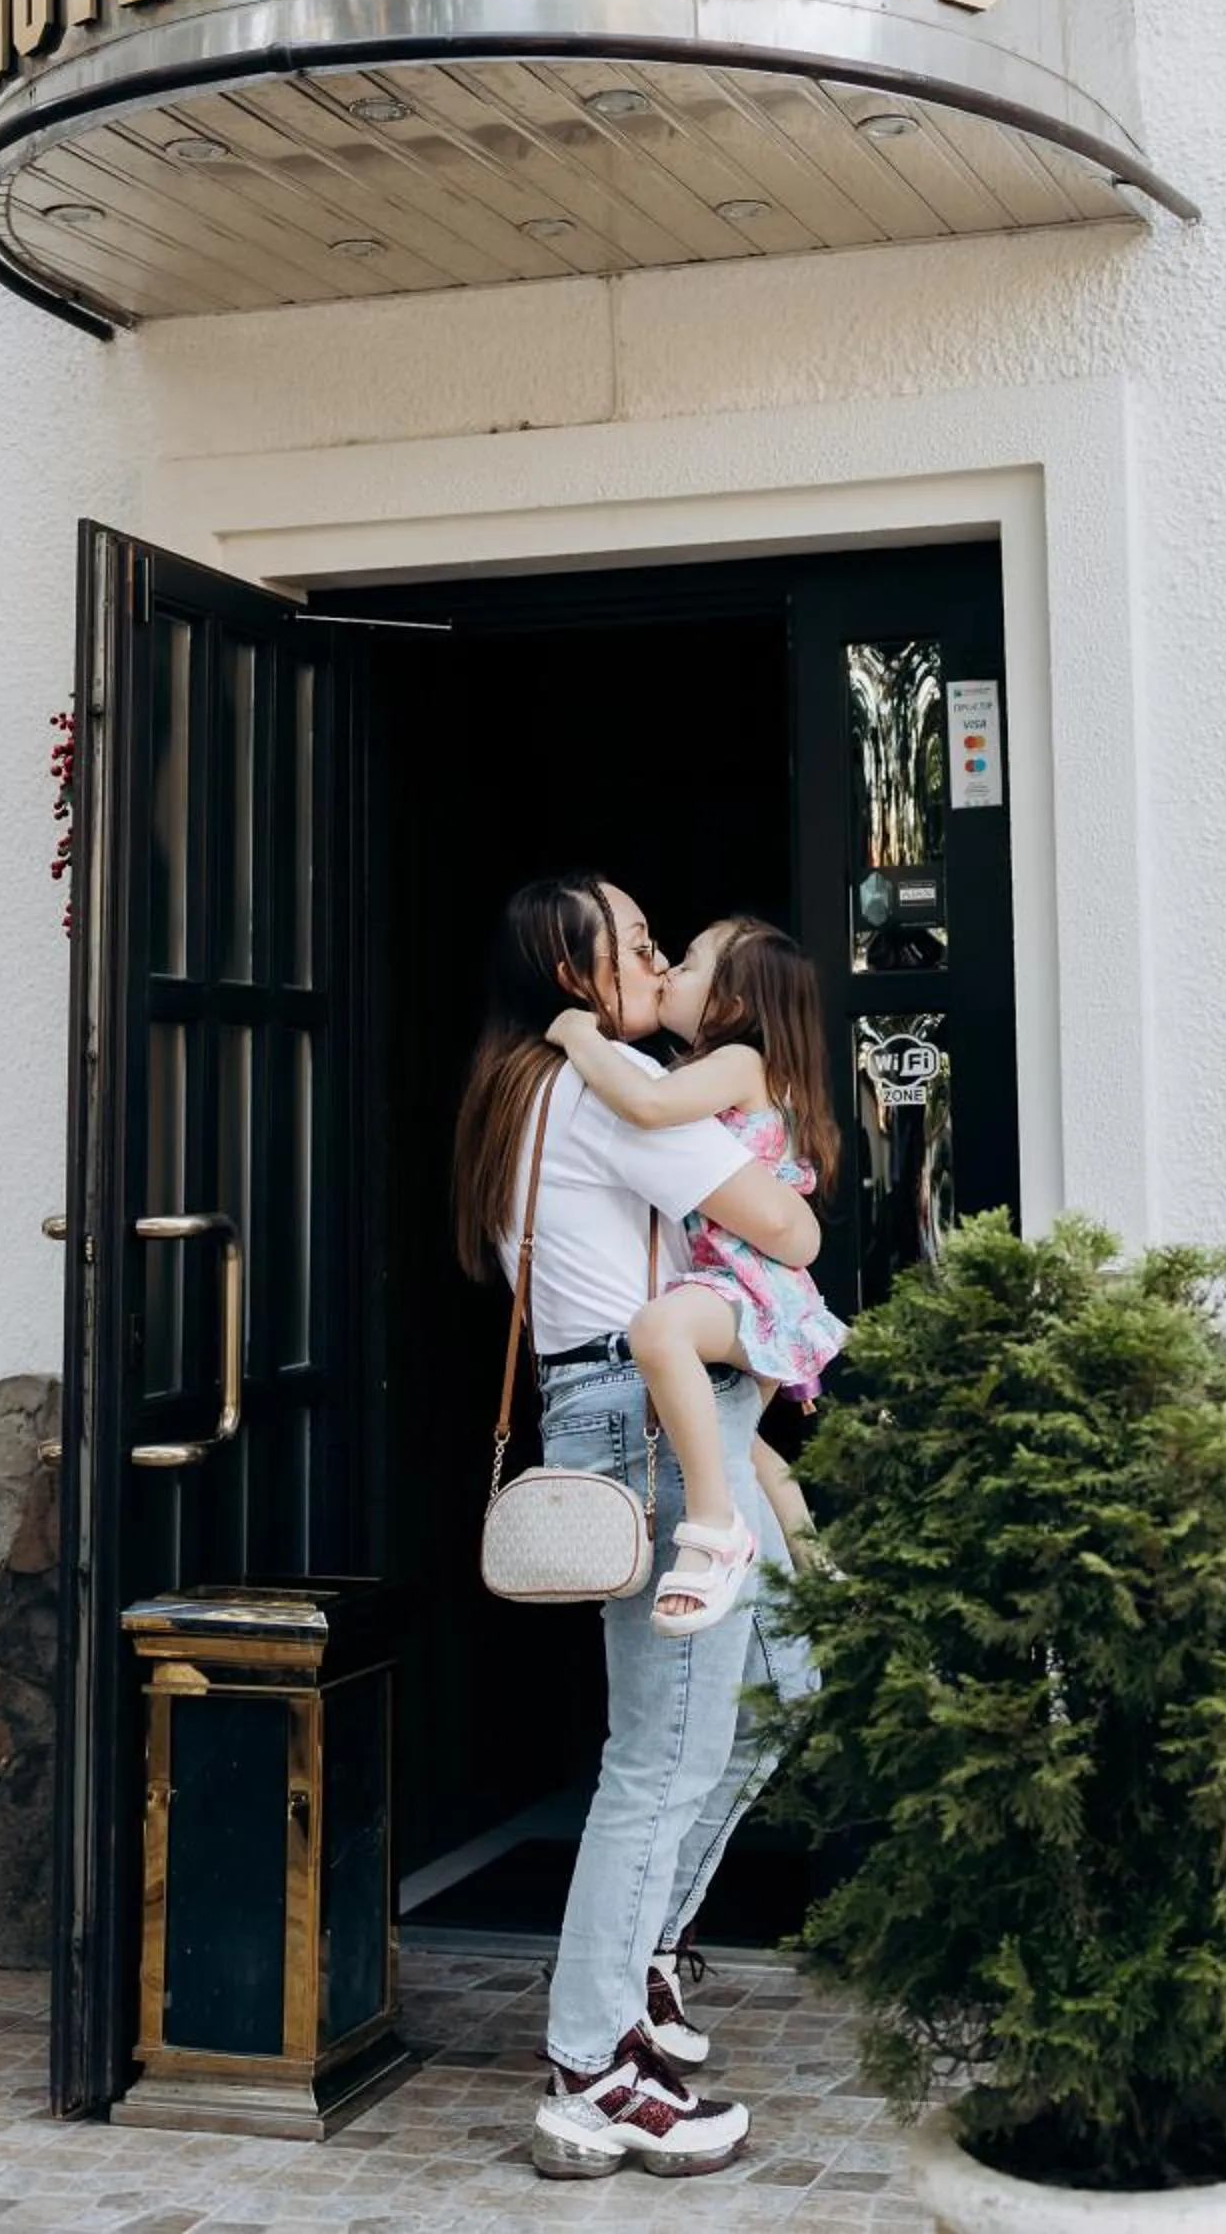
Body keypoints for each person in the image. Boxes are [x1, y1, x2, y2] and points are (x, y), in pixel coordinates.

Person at [452, 873, 819, 2182]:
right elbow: (783, 1224)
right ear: (573, 979)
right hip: (647, 1415)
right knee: (661, 1754)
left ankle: (637, 1969)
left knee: (777, 1684)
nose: (658, 965)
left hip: (655, 1405)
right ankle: (594, 2066)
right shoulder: (599, 1092)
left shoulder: (522, 1092)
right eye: (638, 946)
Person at [547, 916, 848, 1630]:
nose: (667, 972)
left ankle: (715, 1526)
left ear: (732, 1004)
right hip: (761, 1289)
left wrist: (581, 1036)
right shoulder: (731, 1070)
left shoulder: (738, 1062)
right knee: (741, 1445)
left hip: (751, 1286)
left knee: (659, 1331)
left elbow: (647, 1105)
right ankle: (819, 1567)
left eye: (686, 964)